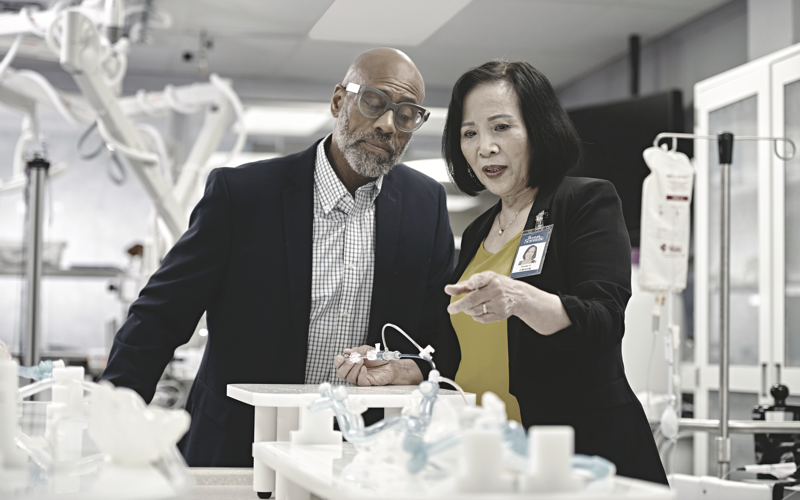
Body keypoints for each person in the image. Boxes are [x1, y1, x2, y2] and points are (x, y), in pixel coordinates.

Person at [101, 47, 455, 468]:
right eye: (374, 102)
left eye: (406, 114)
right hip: (240, 441)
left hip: (361, 452)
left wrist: (408, 369)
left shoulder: (424, 203)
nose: (386, 124)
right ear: (340, 101)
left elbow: (437, 332)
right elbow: (161, 316)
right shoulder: (244, 195)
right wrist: (113, 423)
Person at [437, 60, 667, 484]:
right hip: (490, 453)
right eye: (470, 133)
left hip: (571, 449)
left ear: (539, 129)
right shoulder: (475, 232)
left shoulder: (584, 202)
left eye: (501, 127)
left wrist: (521, 299)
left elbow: (603, 319)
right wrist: (407, 368)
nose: (484, 146)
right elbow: (460, 347)